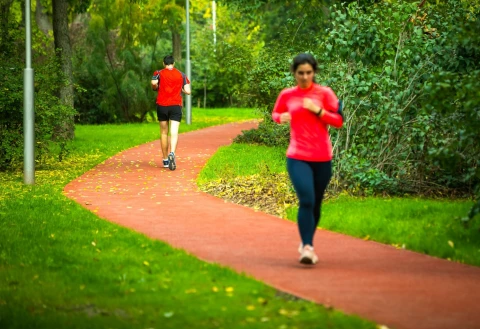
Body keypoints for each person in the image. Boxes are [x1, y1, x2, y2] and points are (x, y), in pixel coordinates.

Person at [272, 53, 343, 265]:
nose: (304, 77)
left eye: (308, 73)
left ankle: (308, 243)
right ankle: (307, 247)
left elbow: (339, 121)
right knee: (307, 199)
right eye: (300, 73)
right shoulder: (287, 95)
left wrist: (319, 111)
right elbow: (276, 113)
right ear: (294, 73)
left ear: (314, 72)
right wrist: (280, 118)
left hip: (322, 157)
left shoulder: (325, 93)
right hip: (297, 155)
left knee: (316, 204)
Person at [151, 55, 191, 171]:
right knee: (174, 132)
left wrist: (156, 86)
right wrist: (181, 89)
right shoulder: (182, 75)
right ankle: (172, 153)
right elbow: (188, 91)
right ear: (173, 63)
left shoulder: (158, 72)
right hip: (176, 106)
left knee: (164, 132)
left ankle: (165, 160)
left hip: (162, 105)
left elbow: (153, 83)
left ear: (164, 63)